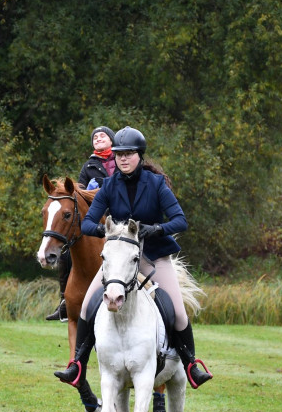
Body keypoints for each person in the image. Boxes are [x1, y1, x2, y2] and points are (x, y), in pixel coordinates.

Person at [54, 125, 213, 390]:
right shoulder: (109, 185)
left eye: (129, 154)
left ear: (140, 155)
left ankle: (191, 365)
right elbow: (89, 222)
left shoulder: (156, 184)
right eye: (119, 154)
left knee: (177, 311)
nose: (123, 158)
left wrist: (156, 229)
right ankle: (77, 366)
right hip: (120, 259)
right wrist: (107, 232)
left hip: (153, 256)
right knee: (86, 306)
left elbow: (180, 220)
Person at [45, 126, 117, 322]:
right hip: (97, 216)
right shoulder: (88, 166)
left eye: (102, 136)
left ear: (112, 140)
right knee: (67, 253)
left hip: (120, 217)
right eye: (95, 137)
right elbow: (80, 194)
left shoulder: (122, 160)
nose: (98, 138)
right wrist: (90, 192)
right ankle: (64, 301)